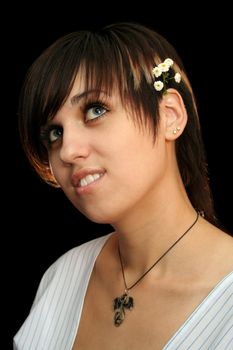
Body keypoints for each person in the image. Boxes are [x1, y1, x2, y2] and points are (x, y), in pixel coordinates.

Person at [13, 22, 233, 349]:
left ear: (170, 116)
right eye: (54, 134)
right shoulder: (63, 275)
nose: (69, 151)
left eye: (95, 110)